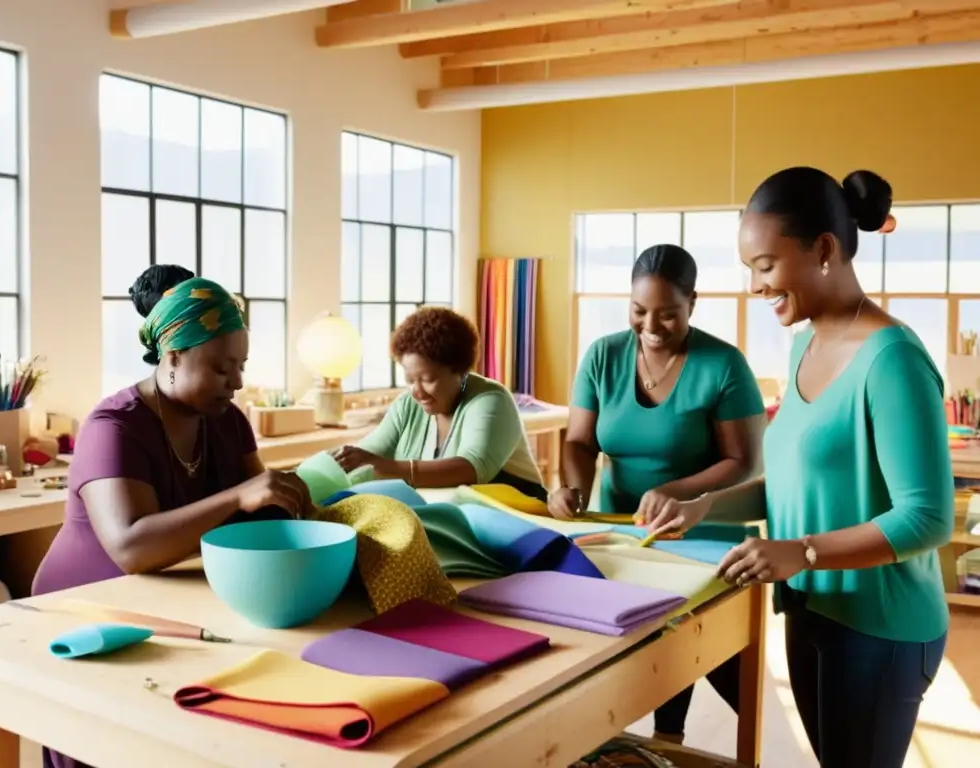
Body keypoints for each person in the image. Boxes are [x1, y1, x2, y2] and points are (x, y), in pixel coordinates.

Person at [646, 167, 953, 767]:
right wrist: (705, 505)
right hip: (812, 610)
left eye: (765, 265)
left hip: (880, 629)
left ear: (824, 250)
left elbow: (929, 519)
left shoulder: (892, 360)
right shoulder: (803, 346)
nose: (757, 286)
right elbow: (792, 483)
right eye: (749, 271)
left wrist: (803, 552)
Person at [33, 273, 311, 768]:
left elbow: (257, 513)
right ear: (173, 356)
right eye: (223, 368)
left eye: (242, 366)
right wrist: (239, 496)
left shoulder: (227, 420)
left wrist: (295, 504)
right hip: (83, 610)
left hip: (164, 601)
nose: (239, 382)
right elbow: (132, 548)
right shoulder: (114, 426)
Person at [548, 243, 766, 743]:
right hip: (621, 533)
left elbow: (745, 461)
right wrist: (574, 493)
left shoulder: (724, 365)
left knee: (702, 654)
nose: (650, 325)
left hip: (702, 535)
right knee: (630, 653)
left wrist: (673, 491)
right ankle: (649, 745)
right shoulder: (603, 355)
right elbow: (580, 442)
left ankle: (676, 740)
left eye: (668, 314)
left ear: (693, 301)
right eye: (639, 310)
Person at [331, 306, 545, 498]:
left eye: (427, 380)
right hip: (456, 522)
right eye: (410, 380)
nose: (417, 392)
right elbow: (369, 454)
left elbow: (470, 468)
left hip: (519, 520)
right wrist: (331, 466)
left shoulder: (491, 400)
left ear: (460, 371)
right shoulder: (408, 405)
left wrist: (387, 467)